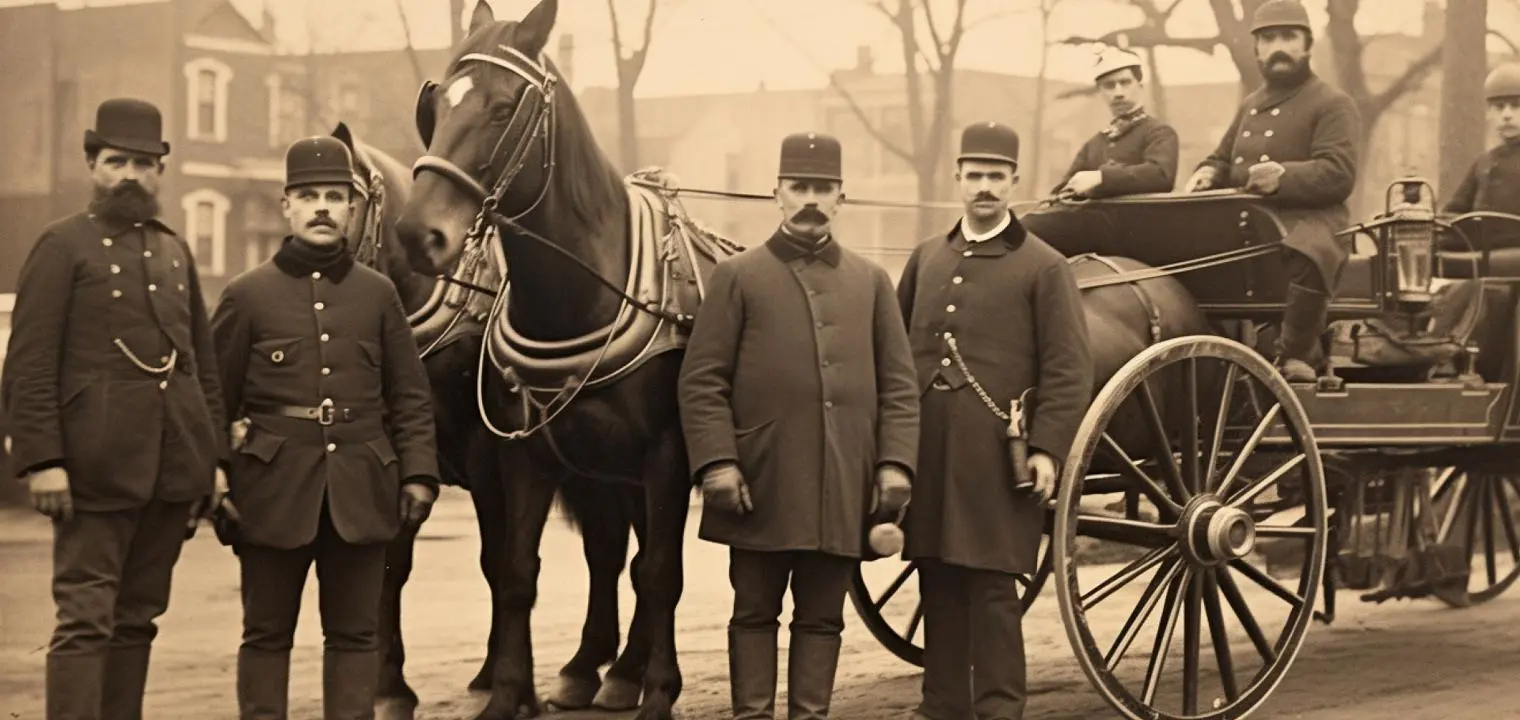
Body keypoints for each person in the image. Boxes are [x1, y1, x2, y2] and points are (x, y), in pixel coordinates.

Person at [678, 131, 920, 719]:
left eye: (823, 188)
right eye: (799, 187)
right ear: (777, 195)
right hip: (759, 482)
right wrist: (717, 461)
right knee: (753, 612)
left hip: (844, 481)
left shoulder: (871, 282)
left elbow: (900, 387)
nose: (811, 199)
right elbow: (701, 380)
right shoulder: (737, 276)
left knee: (822, 618)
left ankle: (810, 714)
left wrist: (893, 463)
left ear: (841, 197)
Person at [1, 97, 228, 720]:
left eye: (143, 163)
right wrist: (43, 459)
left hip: (169, 473)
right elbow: (28, 363)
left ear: (160, 170)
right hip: (92, 474)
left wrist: (211, 461)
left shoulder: (175, 251)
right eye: (115, 161)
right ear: (92, 165)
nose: (130, 174)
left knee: (139, 618)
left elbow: (200, 367)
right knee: (85, 619)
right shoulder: (61, 245)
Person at [210, 136, 440, 719]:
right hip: (271, 493)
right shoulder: (247, 295)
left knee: (357, 636)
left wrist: (417, 474)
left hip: (361, 491)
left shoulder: (379, 295)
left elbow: (409, 396)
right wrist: (214, 474)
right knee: (266, 635)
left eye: (335, 197)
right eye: (307, 195)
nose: (321, 208)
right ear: (286, 206)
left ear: (353, 209)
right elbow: (214, 399)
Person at [898, 121, 1094, 720]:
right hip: (931, 448)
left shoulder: (1044, 266)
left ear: (1015, 183)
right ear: (957, 179)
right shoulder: (928, 257)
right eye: (974, 176)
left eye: (996, 177)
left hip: (998, 451)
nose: (984, 187)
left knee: (990, 587)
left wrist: (1048, 450)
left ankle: (1000, 710)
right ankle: (943, 707)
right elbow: (897, 358)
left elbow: (1069, 369)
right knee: (935, 576)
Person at [1183, 0, 1361, 382]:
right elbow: (1221, 157)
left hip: (1311, 219)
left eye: (1288, 37)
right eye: (1268, 38)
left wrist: (1283, 177)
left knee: (1310, 248)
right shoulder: (1251, 104)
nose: (1278, 46)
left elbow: (1339, 173)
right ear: (1257, 49)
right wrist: (1208, 172)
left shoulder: (1332, 103)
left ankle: (1298, 352)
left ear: (1308, 46)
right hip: (1249, 222)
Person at [1022, 47, 1180, 256]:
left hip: (1134, 229)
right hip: (1090, 225)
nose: (1118, 92)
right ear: (1101, 92)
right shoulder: (1095, 143)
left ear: (1140, 86)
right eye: (1109, 86)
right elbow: (1064, 188)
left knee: (1024, 228)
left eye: (1125, 82)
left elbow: (1161, 175)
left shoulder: (1159, 133)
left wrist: (1101, 178)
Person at [1444, 63, 1520, 219]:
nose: (1507, 114)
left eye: (1516, 106)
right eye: (1499, 107)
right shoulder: (1485, 163)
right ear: (1489, 113)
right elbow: (1453, 214)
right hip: (1482, 243)